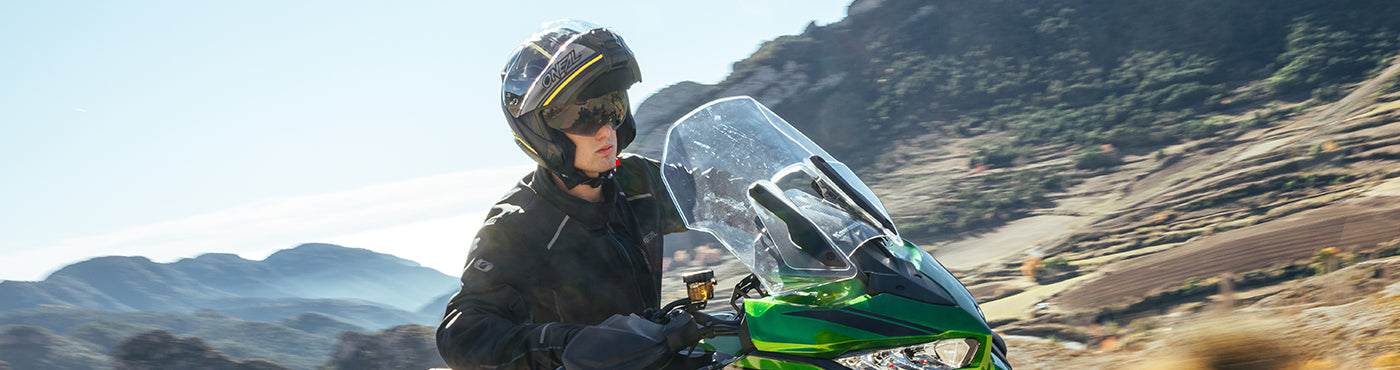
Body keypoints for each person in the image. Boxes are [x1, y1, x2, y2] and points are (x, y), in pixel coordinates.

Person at [436, 19, 698, 370]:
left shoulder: (637, 180)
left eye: (613, 107)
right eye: (584, 117)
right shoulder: (517, 227)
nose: (607, 130)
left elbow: (708, 193)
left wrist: (778, 198)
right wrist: (568, 342)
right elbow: (463, 334)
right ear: (542, 131)